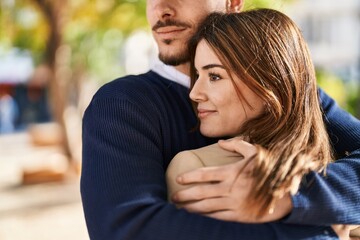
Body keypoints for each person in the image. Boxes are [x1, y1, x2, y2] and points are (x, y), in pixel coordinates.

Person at [80, 0, 360, 239]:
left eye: (214, 76)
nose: (161, 9)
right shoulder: (122, 104)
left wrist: (290, 194)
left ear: (233, 2)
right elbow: (128, 230)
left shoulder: (290, 95)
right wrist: (320, 234)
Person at [165, 9, 359, 236]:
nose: (194, 94)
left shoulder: (329, 160)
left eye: (215, 76)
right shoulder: (195, 167)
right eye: (198, 76)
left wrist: (297, 196)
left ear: (269, 83)